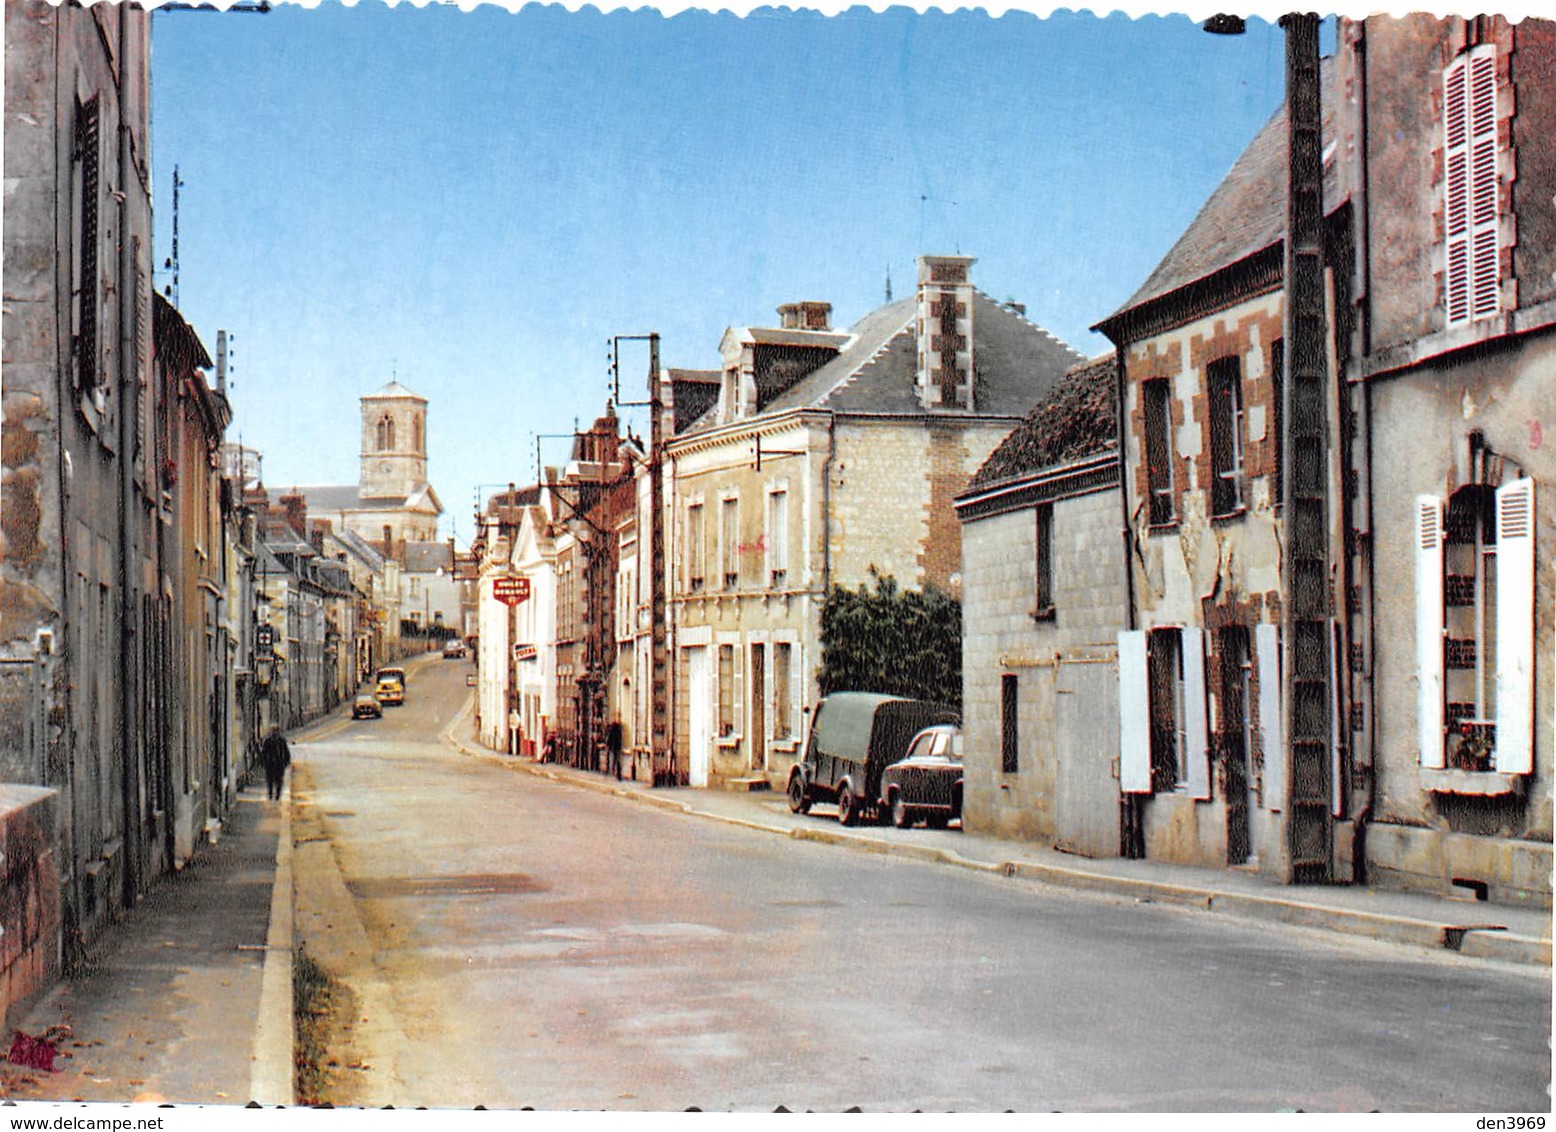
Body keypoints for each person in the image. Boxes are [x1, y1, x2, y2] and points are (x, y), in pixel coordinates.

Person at [260, 728, 291, 801]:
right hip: (272, 764)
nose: (274, 734)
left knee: (277, 780)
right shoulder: (269, 741)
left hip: (278, 764)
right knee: (272, 780)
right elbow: (264, 753)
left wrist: (286, 762)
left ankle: (276, 795)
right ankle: (272, 794)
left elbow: (286, 752)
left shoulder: (281, 741)